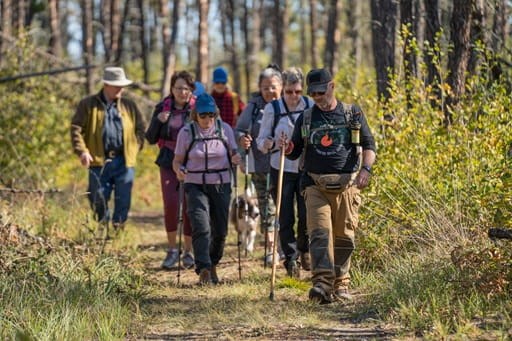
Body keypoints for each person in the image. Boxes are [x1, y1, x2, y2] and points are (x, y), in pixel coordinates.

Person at [282, 68, 376, 303]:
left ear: (332, 86)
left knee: (344, 237)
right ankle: (322, 285)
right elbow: (293, 153)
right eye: (313, 94)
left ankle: (341, 284)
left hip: (347, 185)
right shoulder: (305, 117)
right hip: (315, 184)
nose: (318, 98)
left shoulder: (352, 113)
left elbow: (369, 145)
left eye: (322, 93)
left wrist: (366, 170)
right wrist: (288, 149)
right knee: (320, 234)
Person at [172, 93, 242, 284]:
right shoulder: (186, 133)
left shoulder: (225, 129)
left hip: (221, 183)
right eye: (203, 115)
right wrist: (179, 171)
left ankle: (212, 263)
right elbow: (177, 161)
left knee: (220, 230)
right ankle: (203, 269)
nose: (207, 119)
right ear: (196, 115)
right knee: (201, 226)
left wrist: (236, 157)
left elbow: (234, 153)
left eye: (211, 115)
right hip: (195, 184)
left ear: (216, 114)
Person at [71, 66, 146, 232]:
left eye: (122, 85)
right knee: (97, 196)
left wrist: (135, 147)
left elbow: (141, 129)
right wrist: (82, 150)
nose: (120, 89)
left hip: (124, 160)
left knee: (123, 198)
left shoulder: (129, 106)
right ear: (106, 85)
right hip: (99, 159)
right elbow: (76, 128)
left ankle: (118, 230)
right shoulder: (88, 104)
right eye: (116, 85)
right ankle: (102, 228)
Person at [257, 67, 314, 278]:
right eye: (289, 91)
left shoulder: (309, 105)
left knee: (306, 214)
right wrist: (273, 143)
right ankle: (291, 259)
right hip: (280, 167)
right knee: (286, 216)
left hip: (304, 167)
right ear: (283, 90)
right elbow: (261, 141)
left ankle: (304, 248)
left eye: (297, 91)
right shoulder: (274, 108)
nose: (293, 96)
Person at [145, 70, 196, 270]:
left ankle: (189, 252)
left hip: (192, 161)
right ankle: (172, 249)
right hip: (168, 160)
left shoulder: (197, 109)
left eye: (185, 88)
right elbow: (149, 138)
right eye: (178, 88)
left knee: (190, 206)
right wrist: (159, 120)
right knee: (171, 205)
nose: (182, 92)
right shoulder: (162, 108)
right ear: (172, 89)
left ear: (191, 90)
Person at [235, 64, 283, 266]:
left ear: (280, 86)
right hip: (260, 165)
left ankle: (286, 246)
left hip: (285, 165)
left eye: (273, 86)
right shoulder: (253, 107)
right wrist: (242, 141)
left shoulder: (289, 105)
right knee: (266, 207)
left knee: (286, 207)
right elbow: (239, 130)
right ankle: (272, 248)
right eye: (265, 87)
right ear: (259, 88)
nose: (270, 91)